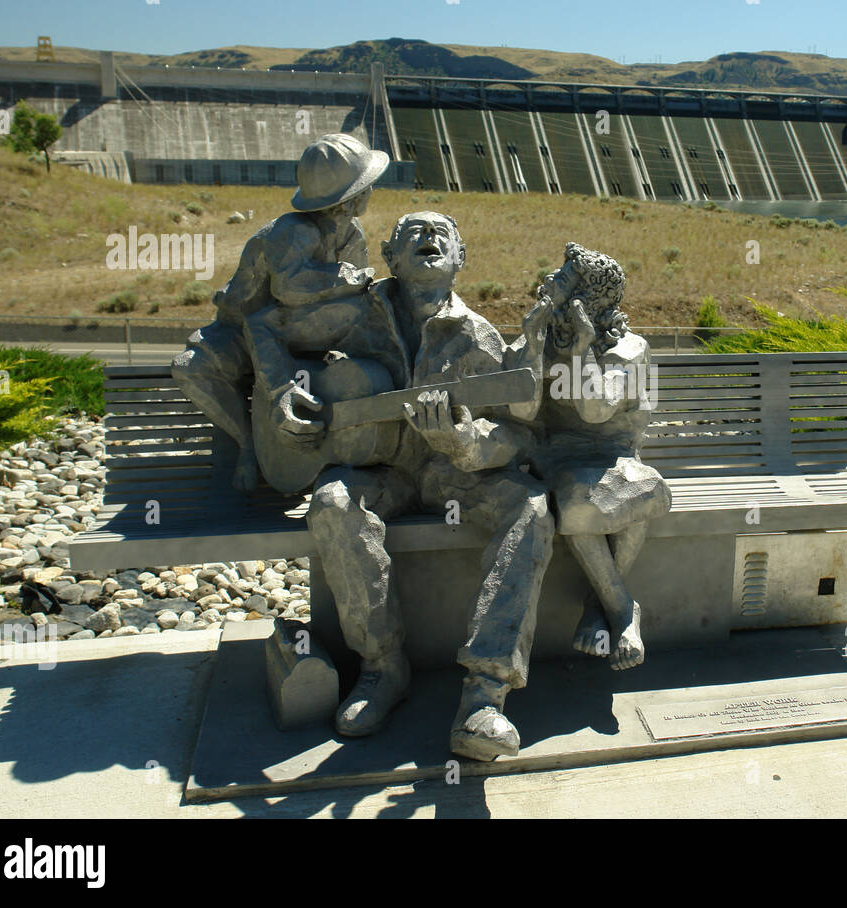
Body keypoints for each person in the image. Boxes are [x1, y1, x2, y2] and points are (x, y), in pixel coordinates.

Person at [299, 212, 557, 762]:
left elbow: (518, 433)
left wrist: (467, 444)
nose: (430, 239)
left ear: (461, 258)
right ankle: (382, 667)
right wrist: (288, 397)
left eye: (444, 234)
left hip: (450, 474)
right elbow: (286, 361)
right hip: (380, 470)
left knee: (530, 507)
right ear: (390, 256)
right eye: (414, 232)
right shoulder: (353, 316)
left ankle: (484, 696)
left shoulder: (476, 336)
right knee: (332, 503)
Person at [171, 133, 387, 490]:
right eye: (366, 187)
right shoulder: (294, 232)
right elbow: (288, 289)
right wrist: (345, 277)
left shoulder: (351, 234)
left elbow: (353, 298)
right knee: (190, 369)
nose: (371, 193)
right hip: (241, 332)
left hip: (294, 334)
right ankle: (248, 445)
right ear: (348, 200)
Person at [528, 243, 671, 671]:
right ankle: (624, 609)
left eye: (566, 276)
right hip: (560, 459)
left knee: (638, 492)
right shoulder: (543, 337)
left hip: (614, 457)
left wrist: (580, 351)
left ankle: (599, 607)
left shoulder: (628, 349)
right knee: (577, 501)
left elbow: (596, 409)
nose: (553, 278)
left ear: (587, 300)